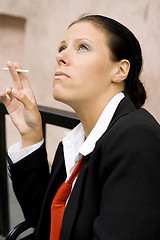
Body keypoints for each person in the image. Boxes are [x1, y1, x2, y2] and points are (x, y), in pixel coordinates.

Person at [1, 14, 160, 240]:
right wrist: (30, 135)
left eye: (83, 47)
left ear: (120, 70)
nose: (61, 56)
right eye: (62, 47)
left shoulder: (136, 138)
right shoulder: (76, 141)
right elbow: (46, 225)